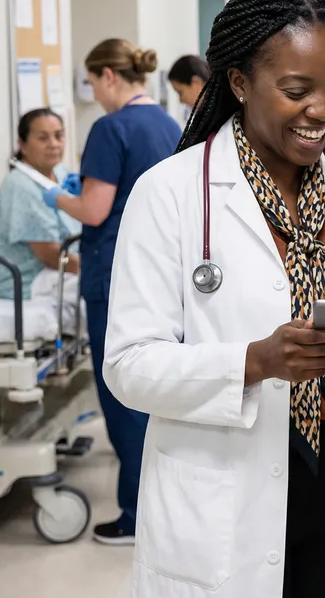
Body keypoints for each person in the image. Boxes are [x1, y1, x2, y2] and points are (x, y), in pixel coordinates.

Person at [102, 0, 325, 598]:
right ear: (238, 83)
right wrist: (255, 362)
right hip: (224, 499)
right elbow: (128, 366)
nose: (322, 108)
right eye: (296, 90)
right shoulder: (171, 194)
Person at [41, 39, 182, 545]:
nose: (94, 96)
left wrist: (57, 194)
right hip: (163, 273)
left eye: (92, 84)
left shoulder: (110, 128)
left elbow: (95, 212)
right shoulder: (168, 123)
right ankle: (161, 507)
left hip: (113, 276)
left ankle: (134, 514)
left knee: (124, 393)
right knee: (158, 392)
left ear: (106, 77)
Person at [0, 109, 81, 300]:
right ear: (23, 145)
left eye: (59, 136)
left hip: (62, 267)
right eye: (43, 138)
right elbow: (50, 255)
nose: (53, 144)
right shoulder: (19, 185)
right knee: (101, 289)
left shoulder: (62, 173)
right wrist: (92, 269)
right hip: (30, 278)